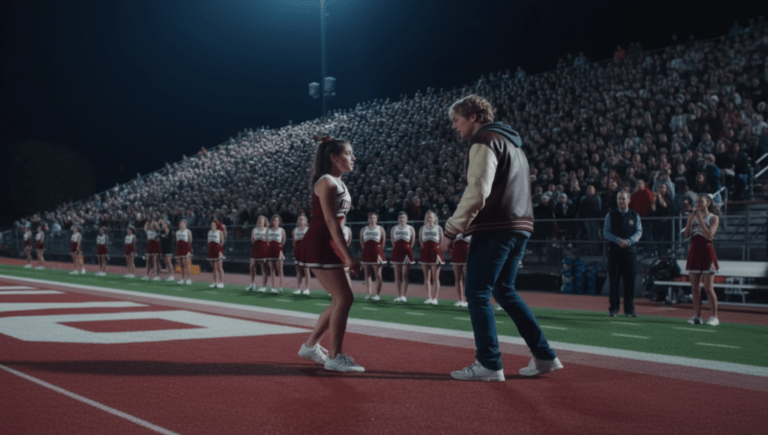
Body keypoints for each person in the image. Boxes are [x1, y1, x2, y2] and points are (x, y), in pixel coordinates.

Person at [441, 94, 562, 381]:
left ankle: (489, 363)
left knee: (477, 293)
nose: (454, 126)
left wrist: (451, 229)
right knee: (504, 290)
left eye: (457, 120)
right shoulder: (513, 144)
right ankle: (544, 355)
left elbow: (477, 192)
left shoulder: (484, 140)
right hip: (520, 225)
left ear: (474, 117)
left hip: (495, 227)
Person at [296, 135, 364, 373]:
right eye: (348, 153)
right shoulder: (326, 182)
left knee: (341, 299)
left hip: (331, 243)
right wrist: (349, 256)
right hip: (322, 243)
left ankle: (310, 346)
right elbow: (330, 222)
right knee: (344, 299)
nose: (353, 157)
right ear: (334, 158)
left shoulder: (338, 182)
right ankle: (334, 357)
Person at [683, 194, 720, 326]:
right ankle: (697, 316)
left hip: (707, 252)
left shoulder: (714, 217)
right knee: (695, 288)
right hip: (694, 252)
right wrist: (690, 221)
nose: (698, 204)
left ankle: (714, 316)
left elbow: (709, 235)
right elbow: (686, 235)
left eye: (701, 201)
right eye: (697, 202)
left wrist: (700, 219)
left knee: (708, 288)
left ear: (708, 203)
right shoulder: (692, 216)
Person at [604, 191, 642, 317]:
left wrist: (629, 241)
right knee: (613, 282)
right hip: (614, 252)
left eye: (623, 199)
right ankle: (613, 309)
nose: (621, 201)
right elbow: (606, 232)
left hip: (630, 252)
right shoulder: (610, 215)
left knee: (629, 282)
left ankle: (629, 309)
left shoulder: (635, 215)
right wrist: (618, 240)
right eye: (619, 199)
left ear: (628, 200)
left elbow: (639, 232)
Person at [360, 212, 386, 301]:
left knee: (378, 274)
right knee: (367, 273)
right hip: (367, 252)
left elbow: (383, 241)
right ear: (368, 219)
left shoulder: (380, 229)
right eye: (370, 218)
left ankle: (377, 294)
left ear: (377, 219)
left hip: (377, 253)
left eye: (374, 218)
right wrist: (366, 250)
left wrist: (378, 250)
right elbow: (362, 242)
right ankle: (369, 293)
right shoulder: (363, 229)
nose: (372, 220)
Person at [420, 210, 444, 305]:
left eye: (431, 217)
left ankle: (435, 298)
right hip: (425, 252)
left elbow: (441, 241)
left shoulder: (438, 228)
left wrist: (436, 250)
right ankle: (429, 297)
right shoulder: (422, 228)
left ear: (434, 218)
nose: (429, 219)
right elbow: (421, 241)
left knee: (435, 277)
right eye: (428, 217)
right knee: (426, 277)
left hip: (435, 253)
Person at [390, 211, 415, 303]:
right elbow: (393, 241)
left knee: (404, 275)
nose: (402, 219)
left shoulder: (410, 228)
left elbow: (412, 242)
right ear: (398, 219)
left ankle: (404, 296)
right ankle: (398, 295)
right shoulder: (394, 228)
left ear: (407, 219)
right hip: (397, 252)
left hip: (406, 253)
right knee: (397, 276)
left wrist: (407, 249)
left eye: (404, 217)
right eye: (400, 217)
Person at [266, 214, 286, 294]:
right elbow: (267, 240)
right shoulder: (268, 230)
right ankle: (273, 287)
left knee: (280, 269)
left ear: (279, 222)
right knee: (272, 269)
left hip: (278, 249)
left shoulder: (281, 230)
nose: (276, 222)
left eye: (277, 220)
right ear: (272, 221)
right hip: (271, 250)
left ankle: (280, 287)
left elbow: (283, 240)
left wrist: (280, 246)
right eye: (274, 220)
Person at [248, 215, 269, 292]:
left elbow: (268, 241)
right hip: (255, 249)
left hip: (264, 249)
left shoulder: (267, 230)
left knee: (263, 268)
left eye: (262, 221)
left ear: (264, 222)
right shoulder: (254, 230)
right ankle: (252, 283)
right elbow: (252, 240)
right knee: (252, 266)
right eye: (259, 221)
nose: (260, 223)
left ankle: (264, 286)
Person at [292, 214, 311, 295]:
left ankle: (307, 289)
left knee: (306, 271)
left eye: (302, 219)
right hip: (297, 251)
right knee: (298, 271)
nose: (301, 221)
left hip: (306, 251)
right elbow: (294, 242)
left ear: (306, 221)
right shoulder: (295, 230)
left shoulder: (308, 230)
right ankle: (299, 288)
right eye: (300, 219)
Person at [450, 233, 470, 307]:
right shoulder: (454, 229)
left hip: (468, 252)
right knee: (458, 278)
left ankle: (469, 300)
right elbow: (448, 243)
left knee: (468, 278)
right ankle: (461, 300)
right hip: (456, 252)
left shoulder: (471, 227)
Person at [207, 220, 226, 289]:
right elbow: (208, 241)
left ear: (216, 226)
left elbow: (222, 241)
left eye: (214, 225)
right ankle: (215, 282)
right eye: (212, 225)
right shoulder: (209, 232)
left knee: (219, 267)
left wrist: (218, 248)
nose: (213, 226)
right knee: (213, 268)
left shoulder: (219, 232)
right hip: (211, 250)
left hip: (217, 249)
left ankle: (221, 282)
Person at [175, 219, 193, 285]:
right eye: (180, 224)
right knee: (181, 264)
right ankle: (183, 278)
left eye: (183, 224)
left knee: (187, 264)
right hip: (179, 249)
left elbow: (190, 240)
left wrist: (187, 247)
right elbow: (177, 241)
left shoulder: (188, 231)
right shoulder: (177, 232)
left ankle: (189, 279)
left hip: (186, 248)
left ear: (185, 224)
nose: (181, 225)